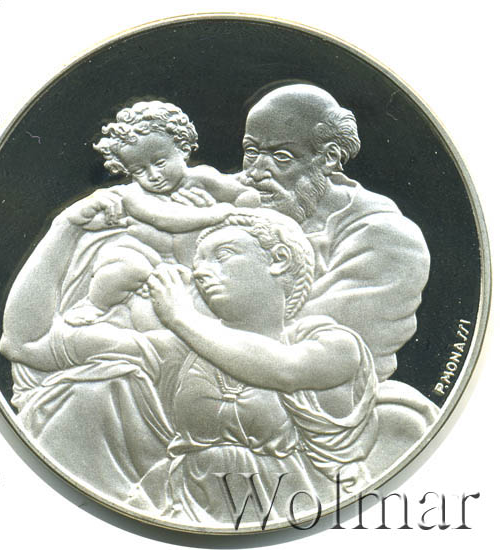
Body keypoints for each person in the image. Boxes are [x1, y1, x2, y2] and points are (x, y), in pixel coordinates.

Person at [132, 210, 379, 525]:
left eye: (222, 255)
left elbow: (286, 371)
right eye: (198, 264)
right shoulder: (181, 348)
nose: (200, 273)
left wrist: (180, 316)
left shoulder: (335, 344)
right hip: (180, 510)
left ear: (278, 259)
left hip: (301, 514)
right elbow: (72, 348)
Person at [241, 84, 431, 381]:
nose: (255, 172)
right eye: (251, 152)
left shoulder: (388, 239)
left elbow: (303, 346)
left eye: (282, 157)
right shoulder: (237, 203)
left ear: (329, 157)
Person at [65, 100, 259, 326]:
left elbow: (246, 195)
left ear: (182, 149)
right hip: (146, 255)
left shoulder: (203, 177)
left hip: (193, 261)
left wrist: (242, 210)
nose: (153, 175)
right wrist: (216, 214)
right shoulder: (135, 195)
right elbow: (166, 220)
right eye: (139, 170)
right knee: (124, 267)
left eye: (159, 162)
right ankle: (95, 304)